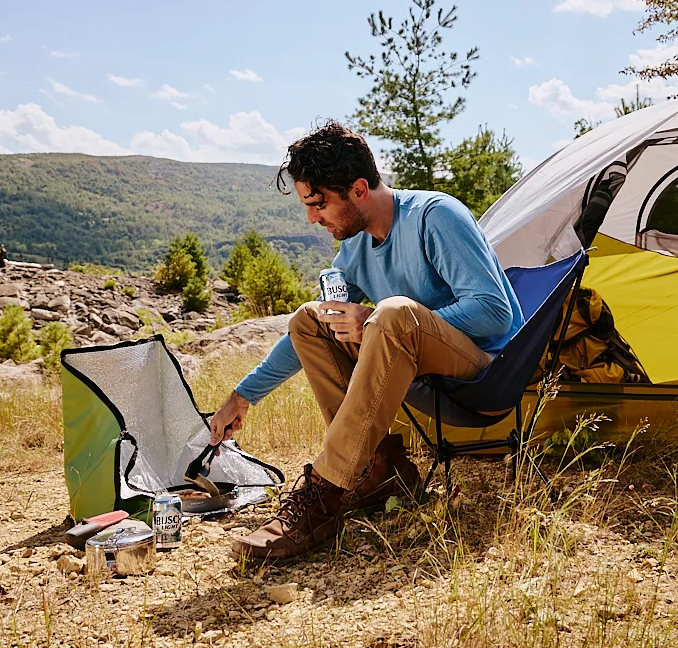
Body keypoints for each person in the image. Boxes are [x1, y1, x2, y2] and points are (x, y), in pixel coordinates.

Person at [209, 121, 523, 562]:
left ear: (358, 189)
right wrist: (242, 397)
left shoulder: (436, 216)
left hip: (484, 370)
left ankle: (325, 493)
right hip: (418, 363)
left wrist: (377, 320)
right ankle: (381, 468)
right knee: (309, 318)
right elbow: (309, 333)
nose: (312, 218)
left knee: (392, 313)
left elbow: (494, 312)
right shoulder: (355, 250)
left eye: (318, 204)